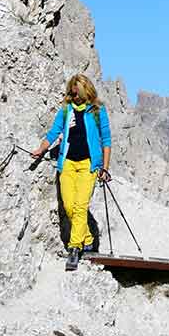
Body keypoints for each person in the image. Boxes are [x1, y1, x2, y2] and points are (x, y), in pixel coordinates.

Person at [30, 74, 113, 271]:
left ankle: (74, 248)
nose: (75, 97)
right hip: (67, 163)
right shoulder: (66, 110)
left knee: (80, 206)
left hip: (88, 165)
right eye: (72, 93)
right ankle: (88, 239)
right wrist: (41, 149)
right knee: (68, 206)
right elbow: (53, 132)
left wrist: (105, 168)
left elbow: (107, 140)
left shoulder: (97, 111)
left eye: (78, 94)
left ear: (86, 92)